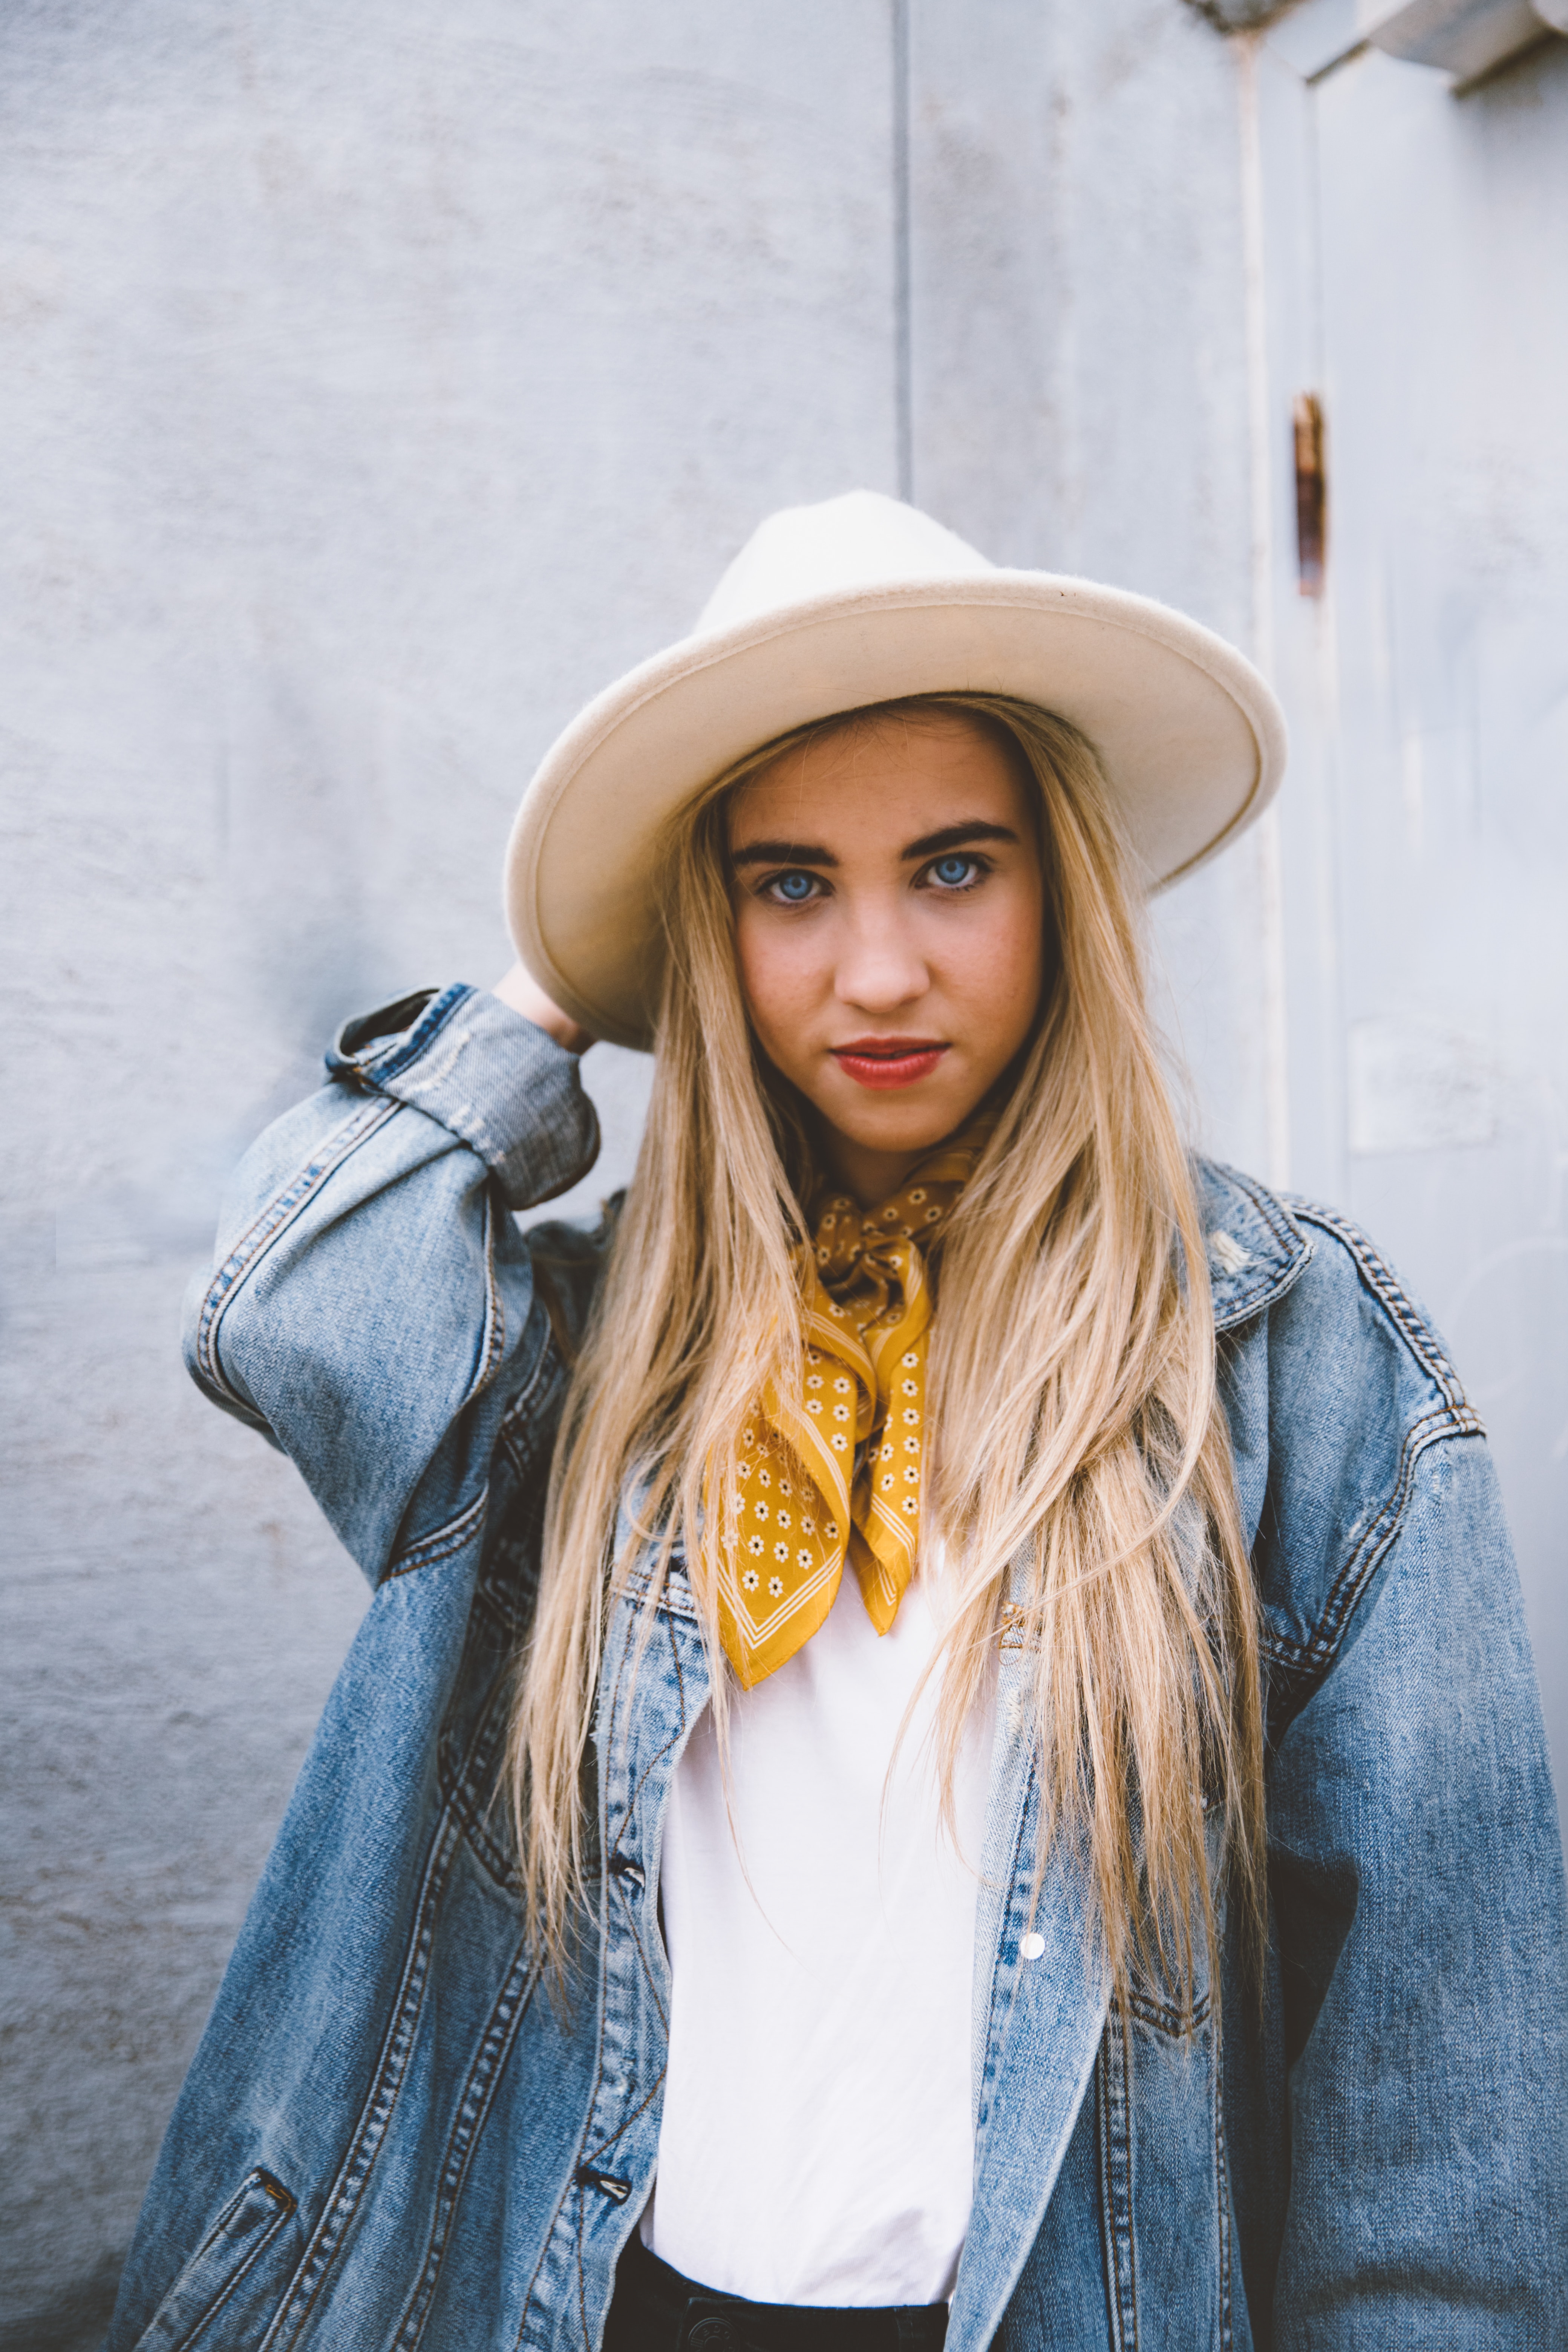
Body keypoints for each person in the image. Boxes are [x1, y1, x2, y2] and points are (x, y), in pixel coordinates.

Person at [107, 494, 1565, 2352]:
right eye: (786, 884)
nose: (875, 972)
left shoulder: (1293, 1362)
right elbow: (282, 1309)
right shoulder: (579, 1360)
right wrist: (564, 987)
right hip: (598, 2306)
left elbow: (1434, 2109)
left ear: (1063, 888)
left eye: (953, 868)